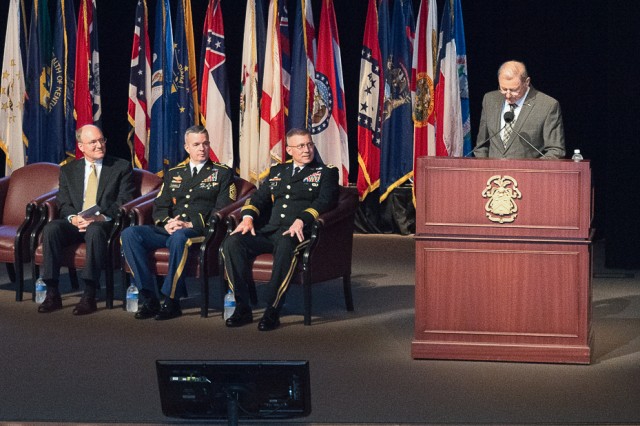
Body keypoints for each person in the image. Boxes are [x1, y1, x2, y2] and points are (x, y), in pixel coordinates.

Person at [221, 128, 339, 331]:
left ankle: (272, 309)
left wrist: (302, 220)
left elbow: (325, 201)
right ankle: (242, 306)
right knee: (233, 242)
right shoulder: (278, 171)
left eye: (309, 144)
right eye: (301, 146)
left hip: (299, 231)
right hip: (270, 229)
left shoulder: (325, 172)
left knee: (286, 245)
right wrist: (247, 218)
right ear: (289, 150)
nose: (307, 150)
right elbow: (258, 198)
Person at [120, 125, 235, 320]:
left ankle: (171, 300)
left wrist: (190, 225)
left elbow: (223, 208)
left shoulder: (221, 173)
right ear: (187, 147)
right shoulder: (174, 173)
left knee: (179, 237)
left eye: (205, 144)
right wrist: (166, 222)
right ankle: (148, 296)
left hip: (200, 230)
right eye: (196, 144)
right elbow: (160, 205)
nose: (202, 148)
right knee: (130, 234)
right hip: (171, 228)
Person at [38, 124, 135, 315]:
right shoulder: (69, 170)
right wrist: (73, 218)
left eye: (102, 140)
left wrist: (100, 216)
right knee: (51, 229)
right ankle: (52, 292)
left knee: (95, 230)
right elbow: (63, 202)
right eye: (93, 142)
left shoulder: (120, 166)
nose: (99, 145)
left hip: (103, 222)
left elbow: (125, 200)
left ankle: (89, 294)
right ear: (81, 146)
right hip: (76, 222)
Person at [474, 60, 566, 159]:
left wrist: (529, 170)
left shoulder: (547, 106)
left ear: (526, 82)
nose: (508, 95)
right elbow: (481, 146)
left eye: (514, 90)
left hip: (528, 173)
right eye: (503, 89)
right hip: (492, 173)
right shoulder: (489, 100)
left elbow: (556, 151)